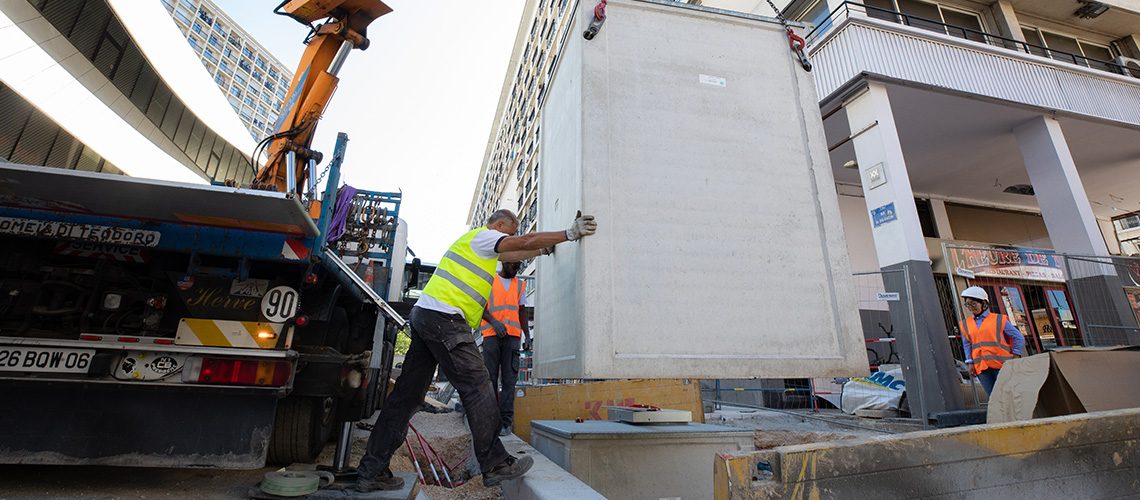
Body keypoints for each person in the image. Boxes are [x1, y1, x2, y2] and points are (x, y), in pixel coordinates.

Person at [352, 208, 597, 492]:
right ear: (501, 226)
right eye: (511, 232)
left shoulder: (478, 248)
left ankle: (371, 470)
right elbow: (520, 243)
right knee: (479, 387)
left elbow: (514, 253)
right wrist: (569, 233)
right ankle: (495, 463)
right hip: (445, 319)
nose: (512, 238)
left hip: (427, 317)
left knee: (406, 399)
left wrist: (545, 249)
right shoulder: (484, 237)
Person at [478, 260, 529, 437]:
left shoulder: (520, 285)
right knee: (490, 379)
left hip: (513, 338)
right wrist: (494, 322)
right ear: (505, 262)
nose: (517, 269)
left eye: (519, 267)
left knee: (509, 381)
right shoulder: (489, 281)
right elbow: (480, 307)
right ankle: (490, 422)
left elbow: (522, 311)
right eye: (515, 266)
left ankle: (505, 423)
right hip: (492, 336)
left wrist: (527, 335)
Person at [959, 286, 1025, 395]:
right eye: (968, 304)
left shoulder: (998, 319)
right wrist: (970, 362)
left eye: (973, 304)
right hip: (981, 367)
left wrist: (1016, 355)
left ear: (984, 303)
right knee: (993, 398)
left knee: (1006, 396)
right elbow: (967, 345)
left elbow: (1018, 337)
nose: (970, 307)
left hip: (1001, 365)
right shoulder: (965, 324)